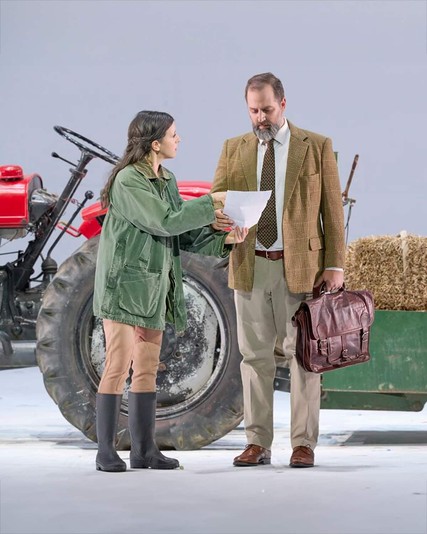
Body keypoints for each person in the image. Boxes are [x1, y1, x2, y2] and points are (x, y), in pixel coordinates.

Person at [93, 110, 248, 472]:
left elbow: (183, 232)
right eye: (174, 135)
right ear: (154, 142)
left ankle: (144, 451)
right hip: (124, 287)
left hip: (155, 286)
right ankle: (105, 450)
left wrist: (224, 237)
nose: (179, 140)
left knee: (147, 370)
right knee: (117, 365)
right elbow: (163, 221)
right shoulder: (128, 181)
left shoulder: (167, 179)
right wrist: (213, 201)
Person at [211, 73, 345, 468]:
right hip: (251, 266)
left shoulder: (316, 146)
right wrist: (224, 225)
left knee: (303, 357)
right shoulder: (233, 148)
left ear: (283, 104)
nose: (260, 118)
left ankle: (303, 443)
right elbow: (217, 204)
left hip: (301, 267)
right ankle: (257, 442)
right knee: (254, 358)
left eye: (267, 109)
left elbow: (332, 213)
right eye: (253, 110)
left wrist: (335, 264)